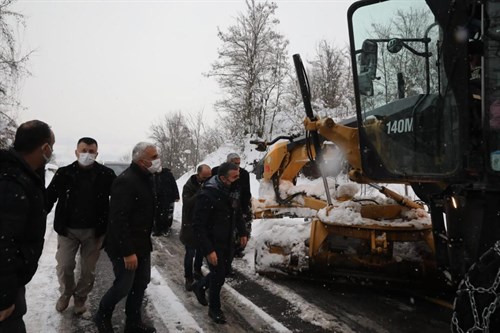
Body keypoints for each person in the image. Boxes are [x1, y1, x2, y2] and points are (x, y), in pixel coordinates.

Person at [94, 142, 161, 333]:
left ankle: (133, 322)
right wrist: (128, 252)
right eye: (154, 157)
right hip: (124, 245)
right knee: (123, 286)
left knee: (141, 283)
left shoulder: (148, 177)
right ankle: (102, 315)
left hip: (142, 243)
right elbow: (118, 220)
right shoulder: (126, 181)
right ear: (142, 161)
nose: (157, 160)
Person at [46, 137, 116, 315]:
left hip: (94, 232)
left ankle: (80, 297)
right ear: (76, 152)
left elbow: (119, 199)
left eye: (91, 151)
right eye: (83, 150)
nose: (87, 154)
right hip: (67, 229)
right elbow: (48, 197)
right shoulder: (64, 173)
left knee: (87, 271)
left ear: (96, 154)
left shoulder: (106, 175)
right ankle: (65, 293)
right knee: (64, 266)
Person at [0, 120, 55, 333]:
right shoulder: (11, 181)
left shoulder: (26, 174)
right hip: (5, 283)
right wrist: (4, 296)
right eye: (52, 145)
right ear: (44, 148)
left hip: (13, 278)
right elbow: (3, 241)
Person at [191, 162, 248, 324]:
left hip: (228, 240)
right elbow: (198, 226)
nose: (238, 179)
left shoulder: (232, 191)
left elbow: (236, 212)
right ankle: (214, 309)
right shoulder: (208, 194)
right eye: (234, 177)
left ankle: (200, 286)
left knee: (221, 274)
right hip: (213, 243)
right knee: (217, 277)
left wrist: (242, 231)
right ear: (223, 178)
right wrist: (208, 250)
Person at [212, 153, 252, 265]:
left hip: (238, 203)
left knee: (240, 228)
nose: (238, 166)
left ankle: (237, 249)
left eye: (239, 163)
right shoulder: (217, 171)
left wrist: (244, 209)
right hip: (223, 203)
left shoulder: (243, 174)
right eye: (235, 163)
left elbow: (246, 192)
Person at [180, 164, 211, 291]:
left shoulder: (210, 184)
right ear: (198, 175)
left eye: (209, 177)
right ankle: (188, 277)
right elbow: (187, 203)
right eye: (204, 177)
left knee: (201, 251)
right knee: (190, 253)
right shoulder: (189, 186)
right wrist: (200, 192)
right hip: (190, 225)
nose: (207, 179)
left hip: (203, 224)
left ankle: (197, 271)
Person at [153, 167, 179, 236]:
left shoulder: (168, 174)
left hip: (167, 197)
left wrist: (176, 195)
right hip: (156, 198)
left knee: (166, 214)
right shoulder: (153, 175)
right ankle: (157, 230)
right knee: (156, 214)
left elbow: (174, 185)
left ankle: (165, 229)